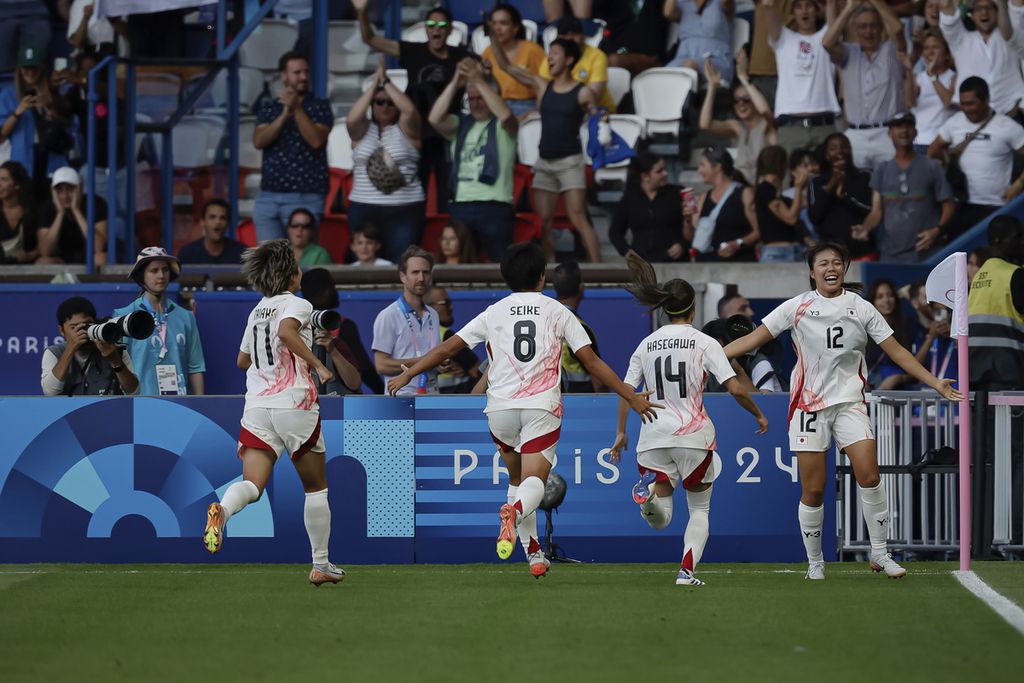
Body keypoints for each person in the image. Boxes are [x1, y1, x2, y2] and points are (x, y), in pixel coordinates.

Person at [387, 242, 660, 578]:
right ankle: (513, 514)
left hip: (499, 411)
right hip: (540, 408)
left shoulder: (494, 311)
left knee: (517, 480)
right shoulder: (559, 311)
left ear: (506, 277)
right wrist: (630, 396)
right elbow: (591, 361)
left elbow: (447, 349)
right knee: (533, 483)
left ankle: (533, 553)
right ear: (542, 277)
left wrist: (409, 373)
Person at [723, 242, 962, 580]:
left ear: (844, 269)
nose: (830, 268)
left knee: (870, 474)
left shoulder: (860, 307)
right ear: (812, 271)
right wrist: (710, 356)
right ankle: (815, 563)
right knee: (814, 490)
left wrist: (935, 382)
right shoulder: (797, 306)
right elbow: (753, 339)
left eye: (837, 262)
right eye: (823, 263)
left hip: (850, 403)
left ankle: (880, 553)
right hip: (808, 406)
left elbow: (897, 352)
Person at [610, 252, 769, 585]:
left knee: (663, 516)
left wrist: (621, 432)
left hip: (653, 436)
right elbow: (736, 389)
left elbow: (627, 391)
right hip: (694, 437)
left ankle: (650, 498)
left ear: (666, 308)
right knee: (699, 510)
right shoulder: (704, 342)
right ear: (693, 308)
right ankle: (686, 570)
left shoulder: (646, 344)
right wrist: (758, 414)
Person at [203, 239, 345, 587]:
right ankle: (321, 564)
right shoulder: (297, 304)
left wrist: (267, 360)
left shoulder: (257, 310)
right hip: (294, 403)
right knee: (316, 488)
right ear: (291, 274)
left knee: (252, 484)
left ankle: (222, 509)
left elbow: (241, 361)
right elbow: (286, 331)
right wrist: (318, 366)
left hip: (257, 407)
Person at [489, 36, 602, 262]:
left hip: (570, 161)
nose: (549, 57)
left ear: (569, 60)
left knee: (578, 217)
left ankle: (601, 272)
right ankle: (549, 269)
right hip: (544, 162)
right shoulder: (542, 86)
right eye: (549, 53)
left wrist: (599, 117)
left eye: (555, 53)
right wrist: (493, 37)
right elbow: (506, 66)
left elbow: (596, 117)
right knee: (545, 222)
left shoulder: (583, 92)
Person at [352, 0, 471, 211]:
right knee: (416, 191)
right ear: (425, 28)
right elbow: (370, 39)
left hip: (447, 133)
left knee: (449, 191)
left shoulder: (461, 56)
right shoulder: (412, 50)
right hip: (416, 132)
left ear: (451, 30)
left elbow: (486, 72)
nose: (436, 30)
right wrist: (362, 13)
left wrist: (486, 66)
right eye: (431, 25)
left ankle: (447, 235)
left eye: (442, 26)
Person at [429, 58, 517, 262]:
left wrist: (479, 81)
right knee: (462, 263)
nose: (476, 103)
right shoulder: (461, 124)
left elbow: (505, 115)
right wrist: (455, 83)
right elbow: (434, 118)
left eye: (481, 98)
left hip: (495, 205)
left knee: (502, 264)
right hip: (461, 204)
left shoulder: (504, 126)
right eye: (472, 99)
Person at [346, 58, 424, 264]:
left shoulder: (406, 128)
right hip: (363, 207)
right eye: (380, 102)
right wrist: (374, 86)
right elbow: (352, 119)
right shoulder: (362, 130)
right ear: (372, 104)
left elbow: (410, 111)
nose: (385, 106)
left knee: (402, 263)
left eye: (390, 102)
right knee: (363, 263)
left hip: (404, 209)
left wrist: (386, 82)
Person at [928, 77, 1024, 239]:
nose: (966, 109)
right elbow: (932, 151)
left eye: (971, 103)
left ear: (986, 100)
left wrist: (1018, 185)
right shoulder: (954, 123)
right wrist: (947, 162)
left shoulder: (1007, 126)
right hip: (962, 205)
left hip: (997, 206)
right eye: (963, 103)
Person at [252, 51, 332, 243]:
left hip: (306, 195)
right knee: (270, 263)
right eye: (297, 72)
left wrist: (296, 108)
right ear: (284, 75)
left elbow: (316, 140)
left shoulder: (319, 106)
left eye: (306, 72)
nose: (303, 77)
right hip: (269, 196)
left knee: (302, 263)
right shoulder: (270, 107)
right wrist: (283, 116)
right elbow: (259, 141)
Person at [860, 112, 954, 263]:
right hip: (891, 254)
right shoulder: (882, 169)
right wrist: (865, 228)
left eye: (908, 126)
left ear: (915, 132)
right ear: (890, 133)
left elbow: (948, 204)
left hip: (926, 252)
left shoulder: (932, 166)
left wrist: (937, 230)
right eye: (898, 126)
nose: (904, 131)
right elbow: (876, 211)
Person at [823, 0, 906, 169]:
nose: (868, 31)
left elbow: (897, 29)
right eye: (862, 26)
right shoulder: (848, 52)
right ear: (855, 29)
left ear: (881, 28)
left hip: (887, 133)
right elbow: (827, 43)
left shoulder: (892, 51)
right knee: (853, 189)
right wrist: (849, 8)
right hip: (856, 134)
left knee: (892, 191)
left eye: (873, 26)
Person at [114, 247, 206, 396]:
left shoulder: (186, 317)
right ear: (141, 276)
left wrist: (200, 405)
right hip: (139, 405)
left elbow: (195, 368)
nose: (161, 275)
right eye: (154, 271)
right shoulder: (123, 316)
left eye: (165, 270)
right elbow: (118, 369)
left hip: (179, 406)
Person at [766, 0, 842, 154]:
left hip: (824, 126)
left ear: (818, 10)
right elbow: (769, 7)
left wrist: (830, 6)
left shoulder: (828, 37)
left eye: (809, 5)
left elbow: (833, 7)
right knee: (789, 178)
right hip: (790, 128)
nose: (804, 11)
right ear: (792, 13)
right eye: (799, 7)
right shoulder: (782, 39)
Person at [0, 45, 76, 190]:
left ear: (42, 68)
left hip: (52, 157)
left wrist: (50, 106)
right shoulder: (8, 95)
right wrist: (18, 112)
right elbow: (1, 134)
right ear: (20, 69)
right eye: (26, 67)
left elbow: (69, 123)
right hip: (23, 159)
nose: (30, 72)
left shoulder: (55, 93)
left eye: (34, 67)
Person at [302, 268, 384, 395]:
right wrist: (379, 390)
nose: (335, 291)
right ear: (326, 291)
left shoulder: (295, 327)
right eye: (333, 286)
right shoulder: (343, 325)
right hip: (341, 403)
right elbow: (365, 369)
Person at [372, 246, 442, 396]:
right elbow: (381, 365)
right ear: (403, 276)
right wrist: (426, 361)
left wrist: (439, 364)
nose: (421, 278)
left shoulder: (433, 314)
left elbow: (433, 357)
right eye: (415, 272)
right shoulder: (388, 315)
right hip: (400, 399)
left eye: (426, 272)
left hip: (432, 396)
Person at [700, 51, 776, 187]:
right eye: (736, 101)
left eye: (746, 99)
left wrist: (743, 78)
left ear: (755, 99)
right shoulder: (738, 127)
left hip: (764, 192)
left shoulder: (768, 125)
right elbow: (705, 124)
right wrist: (712, 86)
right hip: (741, 191)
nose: (741, 104)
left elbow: (764, 110)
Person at [938, 0, 1024, 116]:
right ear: (972, 15)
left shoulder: (1012, 37)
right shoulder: (960, 40)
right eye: (978, 9)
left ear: (998, 12)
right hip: (971, 117)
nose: (984, 12)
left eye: (989, 8)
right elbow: (946, 7)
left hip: (1011, 113)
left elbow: (1017, 10)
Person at [41, 295, 139, 396]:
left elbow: (133, 391)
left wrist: (115, 360)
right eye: (74, 327)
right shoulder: (54, 353)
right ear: (62, 330)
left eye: (87, 324)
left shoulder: (114, 349)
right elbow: (50, 392)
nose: (81, 331)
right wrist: (70, 349)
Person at [967, 216, 1024, 390]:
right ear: (998, 240)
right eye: (1017, 237)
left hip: (976, 379)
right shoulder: (1015, 275)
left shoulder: (978, 277)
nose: (1022, 242)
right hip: (1010, 380)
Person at [608, 149, 687, 263]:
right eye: (659, 171)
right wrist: (628, 252)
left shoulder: (677, 193)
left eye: (665, 169)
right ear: (645, 176)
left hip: (673, 261)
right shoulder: (630, 198)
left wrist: (682, 245)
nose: (665, 173)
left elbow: (692, 225)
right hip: (642, 264)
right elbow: (615, 232)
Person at [686, 148, 759, 262]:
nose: (699, 170)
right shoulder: (704, 197)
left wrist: (738, 244)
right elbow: (692, 237)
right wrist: (687, 220)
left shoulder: (744, 193)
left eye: (703, 165)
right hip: (706, 266)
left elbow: (758, 231)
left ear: (718, 167)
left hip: (737, 265)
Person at [807, 133, 874, 258]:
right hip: (830, 253)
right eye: (833, 148)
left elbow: (871, 210)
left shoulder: (864, 176)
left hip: (863, 250)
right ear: (826, 155)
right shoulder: (816, 181)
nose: (840, 152)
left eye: (844, 147)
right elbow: (814, 216)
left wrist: (845, 197)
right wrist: (832, 183)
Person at [481, 3, 546, 118]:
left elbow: (544, 86)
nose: (497, 28)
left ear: (515, 28)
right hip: (496, 107)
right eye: (494, 23)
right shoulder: (487, 52)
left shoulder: (533, 50)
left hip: (528, 107)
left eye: (503, 23)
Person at [538, 16, 615, 110]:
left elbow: (594, 97)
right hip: (562, 112)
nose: (569, 39)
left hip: (597, 112)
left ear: (583, 35)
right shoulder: (551, 58)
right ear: (558, 38)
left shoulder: (597, 56)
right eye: (564, 35)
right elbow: (543, 92)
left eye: (574, 34)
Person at [36, 166, 107, 265]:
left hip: (89, 258)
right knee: (43, 262)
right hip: (62, 260)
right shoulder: (48, 208)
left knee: (101, 258)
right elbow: (45, 251)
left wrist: (76, 210)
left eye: (70, 190)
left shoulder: (95, 204)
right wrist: (60, 214)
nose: (65, 196)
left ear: (80, 189)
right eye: (60, 191)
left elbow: (98, 247)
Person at [754, 144, 812, 263]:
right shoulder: (765, 189)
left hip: (795, 251)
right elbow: (790, 218)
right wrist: (798, 188)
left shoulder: (778, 195)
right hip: (777, 254)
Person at [553, 260, 604, 393]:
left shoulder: (543, 321)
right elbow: (598, 379)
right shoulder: (579, 327)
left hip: (545, 402)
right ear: (581, 287)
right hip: (578, 406)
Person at [904, 29, 956, 153]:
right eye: (926, 48)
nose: (930, 52)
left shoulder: (954, 77)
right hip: (919, 142)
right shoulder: (918, 78)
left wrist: (932, 76)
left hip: (943, 143)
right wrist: (909, 71)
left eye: (935, 47)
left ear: (946, 51)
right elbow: (909, 102)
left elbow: (949, 102)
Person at [424, 285, 482, 393]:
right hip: (456, 401)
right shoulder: (446, 334)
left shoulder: (416, 332)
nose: (451, 307)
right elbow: (477, 371)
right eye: (445, 303)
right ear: (429, 308)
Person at [664, 0, 735, 84]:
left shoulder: (720, 2)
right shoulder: (683, 2)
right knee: (663, 75)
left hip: (715, 58)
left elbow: (729, 4)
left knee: (689, 66)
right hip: (683, 57)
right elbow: (668, 13)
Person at [865, 279, 915, 389]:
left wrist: (899, 378)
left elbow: (919, 365)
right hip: (872, 393)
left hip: (902, 393)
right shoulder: (864, 329)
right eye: (880, 297)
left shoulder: (908, 326)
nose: (886, 300)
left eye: (890, 295)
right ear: (872, 302)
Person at [177, 198, 247, 265]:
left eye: (222, 218)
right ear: (202, 221)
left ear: (228, 223)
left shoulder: (242, 254)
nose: (217, 222)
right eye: (212, 217)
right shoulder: (187, 254)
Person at [0, 160, 38, 263]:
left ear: (17, 185)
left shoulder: (31, 212)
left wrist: (29, 255)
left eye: (4, 180)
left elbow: (42, 247)